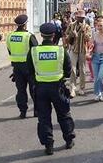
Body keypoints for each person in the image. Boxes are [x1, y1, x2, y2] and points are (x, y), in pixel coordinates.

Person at [27, 22, 75, 155]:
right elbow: (68, 70)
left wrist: (37, 81)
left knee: (43, 118)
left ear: (41, 35)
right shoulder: (60, 51)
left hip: (41, 88)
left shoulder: (34, 51)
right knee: (64, 115)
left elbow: (30, 71)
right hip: (57, 87)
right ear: (54, 35)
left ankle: (48, 145)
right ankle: (69, 140)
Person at [6, 14, 38, 118]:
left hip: (17, 68)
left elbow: (10, 51)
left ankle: (22, 111)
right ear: (25, 25)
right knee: (34, 89)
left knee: (20, 91)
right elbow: (36, 51)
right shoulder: (29, 36)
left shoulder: (10, 36)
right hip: (29, 67)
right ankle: (36, 111)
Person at [66, 10, 92, 97]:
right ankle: (72, 88)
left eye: (82, 18)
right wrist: (72, 35)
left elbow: (88, 39)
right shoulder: (71, 25)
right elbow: (66, 36)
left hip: (83, 50)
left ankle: (82, 87)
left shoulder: (87, 27)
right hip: (74, 49)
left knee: (82, 69)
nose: (80, 19)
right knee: (72, 68)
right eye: (79, 17)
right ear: (76, 17)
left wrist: (84, 32)